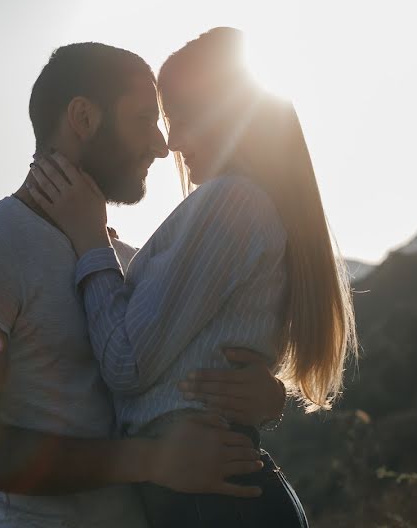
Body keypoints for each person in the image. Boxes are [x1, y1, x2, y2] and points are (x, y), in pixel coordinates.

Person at [0, 41, 289, 527]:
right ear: (83, 117)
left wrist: (266, 396)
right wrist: (150, 460)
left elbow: (168, 377)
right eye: (144, 118)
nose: (163, 145)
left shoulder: (113, 259)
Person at [27, 27, 358, 527]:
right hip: (214, 499)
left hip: (212, 505)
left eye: (181, 118)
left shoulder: (233, 201)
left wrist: (90, 240)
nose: (172, 142)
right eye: (163, 121)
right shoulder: (244, 205)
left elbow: (126, 361)